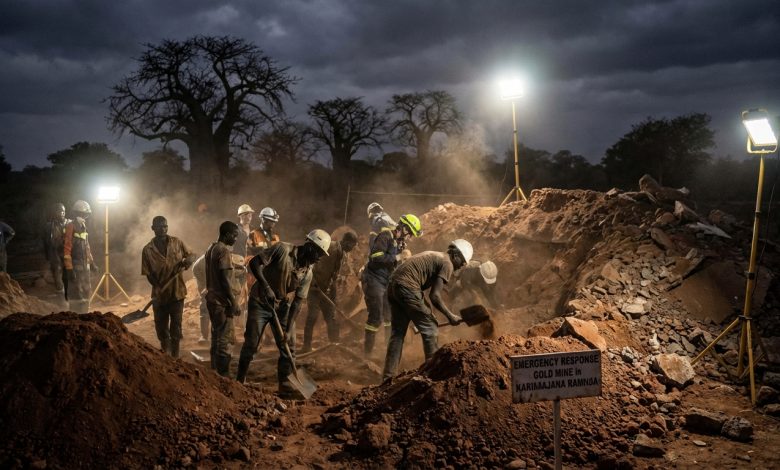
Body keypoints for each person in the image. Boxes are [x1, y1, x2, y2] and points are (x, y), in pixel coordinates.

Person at [236, 229, 330, 397]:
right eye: (318, 252)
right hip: (260, 301)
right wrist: (265, 286)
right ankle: (239, 381)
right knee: (252, 343)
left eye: (321, 254)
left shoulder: (307, 272)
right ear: (309, 245)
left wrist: (289, 327)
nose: (319, 257)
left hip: (282, 307)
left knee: (289, 346)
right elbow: (254, 264)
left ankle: (285, 384)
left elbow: (298, 301)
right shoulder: (282, 249)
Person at [382, 239, 473, 381]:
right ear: (455, 255)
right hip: (407, 286)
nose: (461, 265)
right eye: (462, 262)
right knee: (430, 328)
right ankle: (432, 375)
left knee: (398, 334)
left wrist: (427, 310)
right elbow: (435, 296)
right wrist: (450, 316)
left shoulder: (437, 256)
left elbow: (423, 291)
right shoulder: (447, 263)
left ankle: (387, 378)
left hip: (394, 286)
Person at [361, 213, 422, 357]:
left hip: (386, 281)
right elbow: (375, 257)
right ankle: (367, 354)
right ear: (405, 228)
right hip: (373, 279)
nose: (410, 238)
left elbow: (394, 264)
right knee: (375, 317)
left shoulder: (399, 242)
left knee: (389, 317)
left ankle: (387, 351)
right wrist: (397, 257)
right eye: (410, 234)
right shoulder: (385, 236)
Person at [141, 216, 195, 358]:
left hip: (177, 293)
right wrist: (157, 286)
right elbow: (147, 273)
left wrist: (188, 260)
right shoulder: (147, 250)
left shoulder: (177, 242)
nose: (163, 229)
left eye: (165, 226)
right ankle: (166, 354)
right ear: (153, 228)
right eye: (159, 226)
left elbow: (191, 255)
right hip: (159, 296)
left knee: (176, 327)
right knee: (161, 328)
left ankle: (175, 357)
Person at [301, 230, 359, 353]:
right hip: (315, 288)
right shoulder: (331, 247)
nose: (353, 249)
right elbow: (314, 266)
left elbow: (333, 275)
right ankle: (306, 346)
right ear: (347, 242)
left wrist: (333, 296)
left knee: (331, 318)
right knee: (312, 316)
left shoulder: (342, 253)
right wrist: (313, 283)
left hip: (326, 290)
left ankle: (335, 345)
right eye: (353, 246)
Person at [205, 221, 241, 376]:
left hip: (212, 300)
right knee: (225, 340)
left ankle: (214, 372)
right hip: (222, 302)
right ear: (226, 235)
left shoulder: (211, 248)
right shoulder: (223, 251)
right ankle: (224, 376)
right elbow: (225, 280)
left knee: (216, 335)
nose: (235, 239)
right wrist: (233, 302)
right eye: (234, 236)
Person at [63, 200, 95, 313]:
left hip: (84, 264)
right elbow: (67, 249)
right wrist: (69, 268)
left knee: (86, 288)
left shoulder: (83, 226)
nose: (84, 216)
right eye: (82, 214)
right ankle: (75, 314)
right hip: (75, 265)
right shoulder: (71, 226)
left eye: (85, 214)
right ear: (76, 213)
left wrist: (92, 263)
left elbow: (86, 246)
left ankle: (85, 312)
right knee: (76, 290)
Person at [42, 203, 70, 302]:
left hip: (68, 253)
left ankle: (69, 294)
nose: (61, 213)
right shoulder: (49, 226)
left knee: (69, 274)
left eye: (63, 211)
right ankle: (61, 297)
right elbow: (46, 241)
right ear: (55, 212)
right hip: (56, 253)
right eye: (59, 211)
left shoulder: (70, 223)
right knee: (57, 274)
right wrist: (47, 256)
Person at [191, 254, 209, 344]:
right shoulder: (202, 261)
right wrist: (205, 285)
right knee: (205, 311)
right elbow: (195, 269)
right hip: (206, 289)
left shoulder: (226, 257)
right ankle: (204, 336)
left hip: (220, 289)